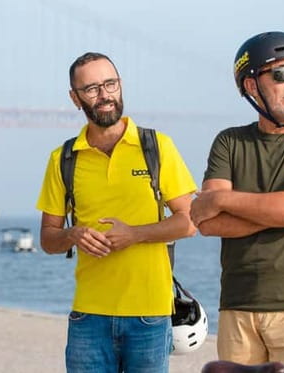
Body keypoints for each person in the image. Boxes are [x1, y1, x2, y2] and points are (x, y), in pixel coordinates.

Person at [189, 32, 284, 373]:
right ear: (251, 85)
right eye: (280, 74)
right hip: (237, 305)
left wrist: (224, 199)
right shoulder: (229, 142)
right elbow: (208, 222)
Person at [36, 52, 198, 373]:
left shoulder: (158, 147)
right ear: (75, 98)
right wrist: (73, 234)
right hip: (88, 317)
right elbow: (48, 240)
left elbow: (190, 221)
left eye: (110, 84)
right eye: (92, 88)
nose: (104, 95)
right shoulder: (63, 159)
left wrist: (135, 234)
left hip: (150, 316)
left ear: (121, 86)